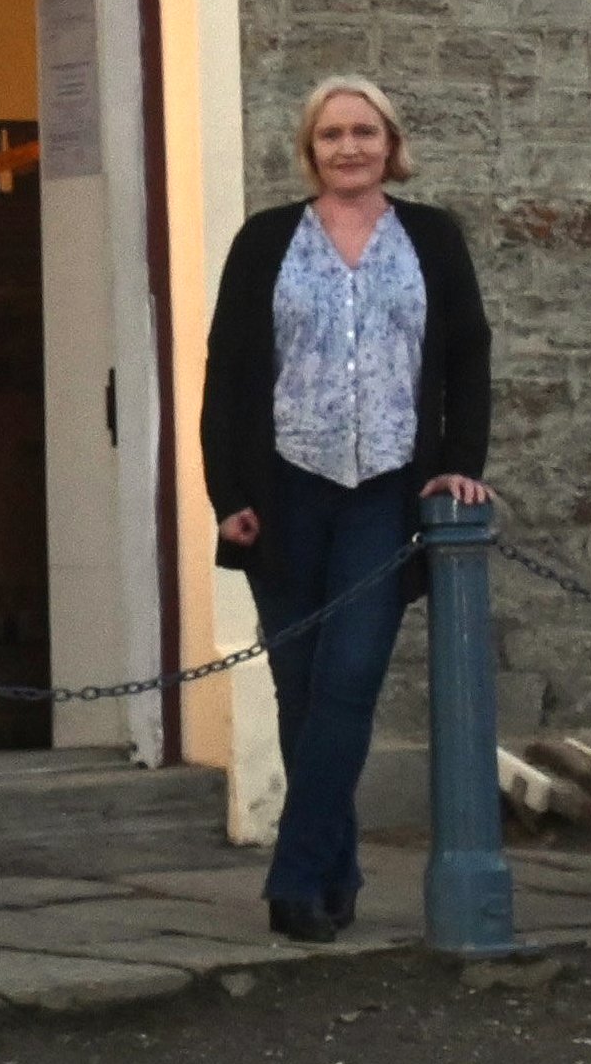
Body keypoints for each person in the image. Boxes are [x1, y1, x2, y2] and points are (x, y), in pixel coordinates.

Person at [202, 74, 496, 943]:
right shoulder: (265, 241)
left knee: (350, 677)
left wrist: (459, 467)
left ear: (390, 143)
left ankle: (293, 876)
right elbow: (226, 374)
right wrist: (229, 495)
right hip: (283, 490)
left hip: (386, 487)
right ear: (310, 149)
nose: (348, 147)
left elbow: (467, 357)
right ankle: (337, 869)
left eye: (364, 131)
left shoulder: (433, 238)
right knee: (299, 688)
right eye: (330, 134)